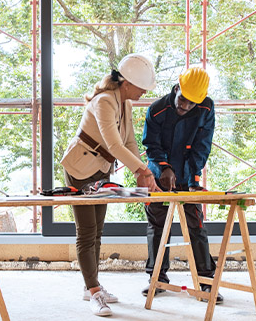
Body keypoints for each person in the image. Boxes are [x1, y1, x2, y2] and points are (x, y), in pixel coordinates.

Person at [59, 53, 161, 317]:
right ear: (127, 83)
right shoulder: (104, 101)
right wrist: (143, 171)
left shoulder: (124, 103)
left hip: (100, 171)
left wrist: (142, 174)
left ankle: (91, 285)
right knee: (86, 232)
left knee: (97, 232)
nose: (144, 93)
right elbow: (114, 145)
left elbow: (129, 142)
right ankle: (94, 292)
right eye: (141, 87)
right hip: (80, 169)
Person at [140, 67, 223, 303]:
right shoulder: (156, 110)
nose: (185, 106)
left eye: (191, 103)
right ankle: (157, 278)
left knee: (196, 226)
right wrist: (164, 168)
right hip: (159, 176)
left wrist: (193, 177)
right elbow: (151, 145)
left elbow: (202, 146)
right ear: (177, 88)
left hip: (188, 174)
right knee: (158, 226)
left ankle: (206, 281)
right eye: (183, 100)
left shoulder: (206, 108)